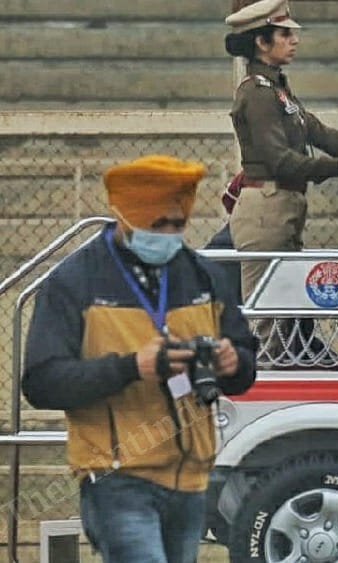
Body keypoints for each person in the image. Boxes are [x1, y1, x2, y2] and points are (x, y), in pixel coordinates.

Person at [22, 155, 257, 563]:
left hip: (191, 477)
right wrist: (131, 367)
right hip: (117, 476)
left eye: (177, 224)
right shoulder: (74, 281)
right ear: (125, 217)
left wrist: (233, 362)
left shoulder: (203, 275)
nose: (168, 235)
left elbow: (245, 360)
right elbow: (42, 381)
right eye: (157, 224)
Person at [223, 0, 338, 361]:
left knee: (285, 314)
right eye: (285, 34)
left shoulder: (276, 88)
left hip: (282, 205)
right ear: (261, 42)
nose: (294, 40)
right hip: (267, 207)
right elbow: (282, 162)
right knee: (266, 319)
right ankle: (260, 388)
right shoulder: (257, 94)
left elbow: (317, 132)